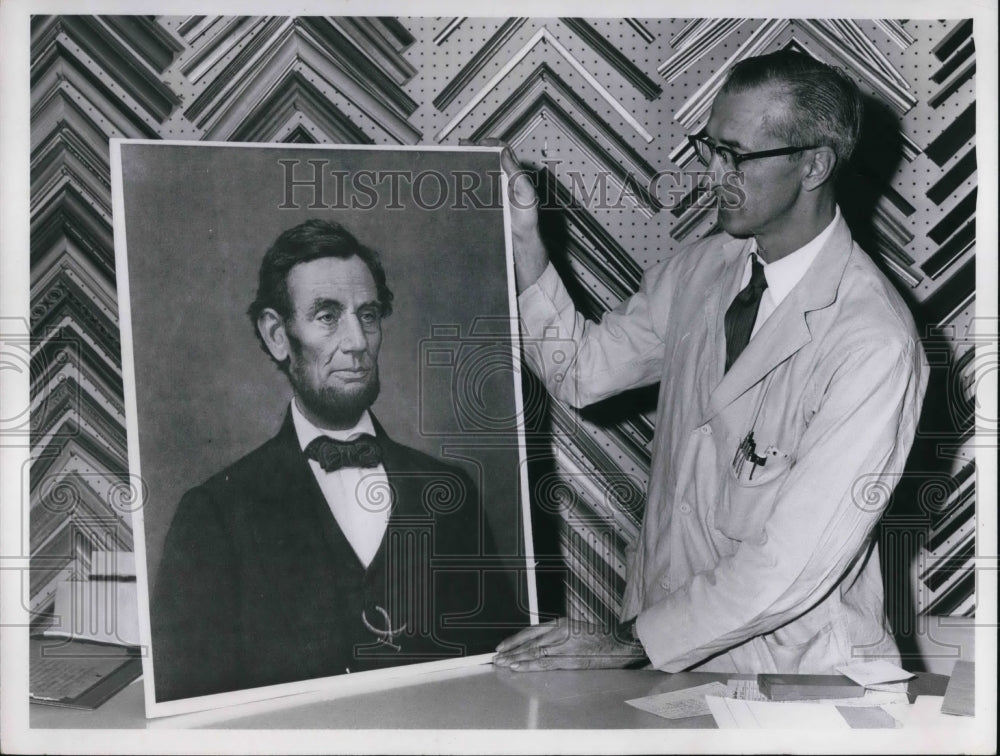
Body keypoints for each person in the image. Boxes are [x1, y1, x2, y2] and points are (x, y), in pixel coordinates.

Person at [493, 50, 928, 674]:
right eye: (709, 148)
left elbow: (793, 562)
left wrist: (633, 642)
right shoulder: (704, 267)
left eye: (737, 156)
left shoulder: (874, 341)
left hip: (795, 680)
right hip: (669, 661)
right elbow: (585, 373)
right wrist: (525, 239)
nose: (712, 175)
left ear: (815, 165)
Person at [151, 219, 522, 702]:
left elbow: (506, 676)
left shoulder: (449, 493)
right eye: (328, 316)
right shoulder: (214, 513)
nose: (357, 342)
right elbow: (189, 709)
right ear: (277, 335)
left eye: (368, 316)